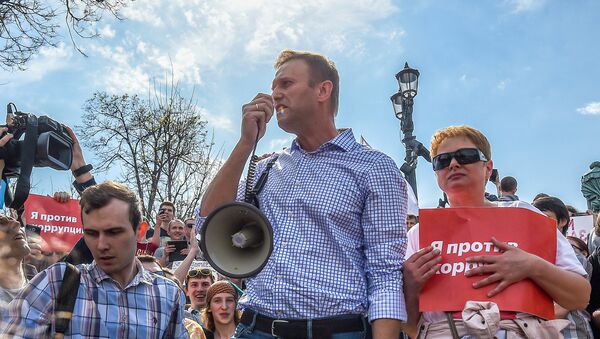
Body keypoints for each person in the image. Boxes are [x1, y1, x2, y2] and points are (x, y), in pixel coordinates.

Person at [198, 49, 408, 338]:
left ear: (323, 90)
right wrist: (245, 143)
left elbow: (385, 272)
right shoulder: (267, 167)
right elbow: (207, 224)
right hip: (256, 328)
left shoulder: (374, 167)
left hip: (338, 331)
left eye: (285, 84)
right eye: (273, 88)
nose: (274, 95)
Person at [401, 125, 590, 338]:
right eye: (442, 160)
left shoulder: (523, 214)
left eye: (465, 156)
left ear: (488, 168)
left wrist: (532, 266)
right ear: (436, 173)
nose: (453, 164)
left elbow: (579, 297)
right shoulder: (419, 234)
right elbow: (410, 328)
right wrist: (410, 286)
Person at [2, 181, 188, 338]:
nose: (101, 245)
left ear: (139, 230)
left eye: (113, 232)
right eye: (91, 233)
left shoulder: (168, 294)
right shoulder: (57, 281)